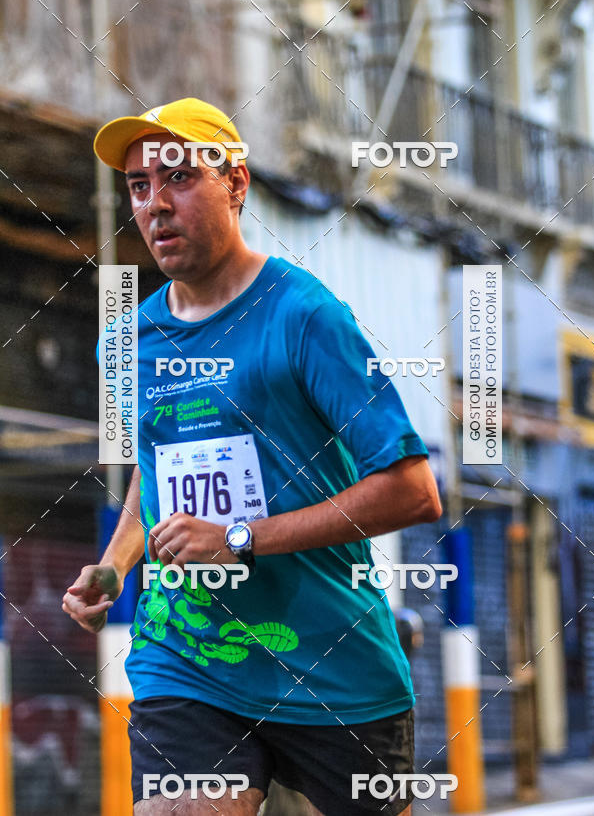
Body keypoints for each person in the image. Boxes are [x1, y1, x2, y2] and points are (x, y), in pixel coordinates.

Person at [63, 98, 442, 815]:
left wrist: (237, 539)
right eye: (140, 187)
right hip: (188, 660)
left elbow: (413, 491)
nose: (156, 205)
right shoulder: (128, 346)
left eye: (178, 177)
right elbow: (158, 468)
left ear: (236, 183)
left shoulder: (306, 317)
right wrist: (116, 566)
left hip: (331, 667)